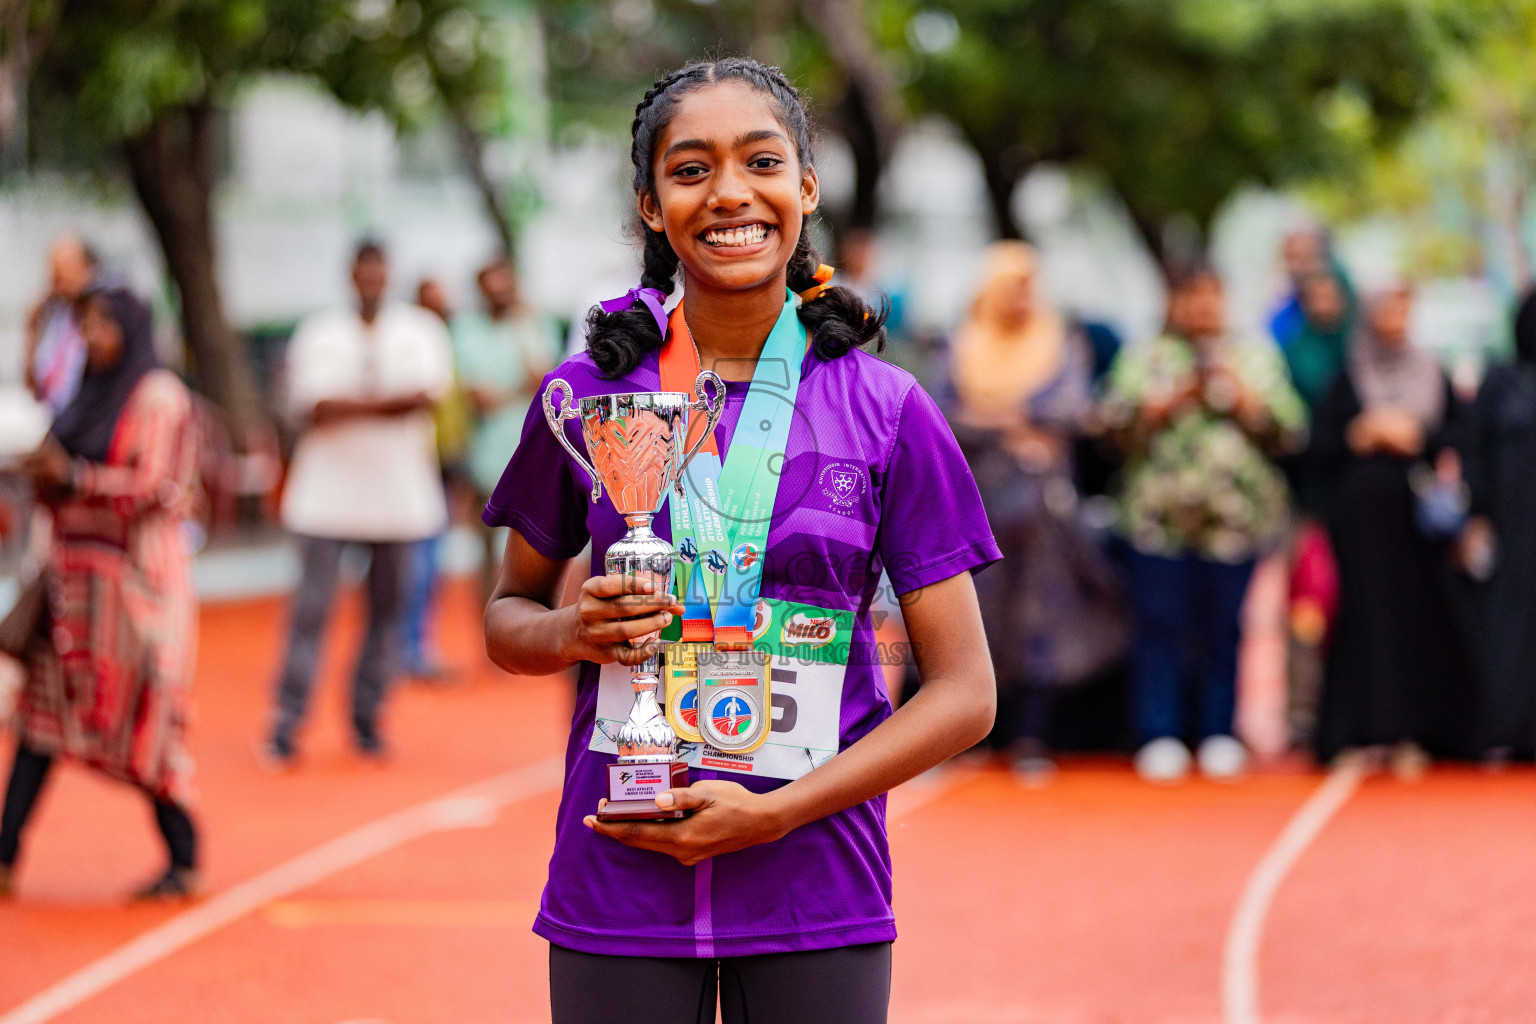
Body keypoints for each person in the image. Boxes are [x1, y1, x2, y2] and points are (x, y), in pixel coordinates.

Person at [482, 58, 998, 1024]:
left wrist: (777, 812)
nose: (729, 194)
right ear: (650, 204)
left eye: (761, 162)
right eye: (691, 170)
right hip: (620, 866)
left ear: (807, 186)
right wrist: (570, 633)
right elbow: (508, 616)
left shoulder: (887, 407)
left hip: (818, 879)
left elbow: (966, 693)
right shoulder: (584, 397)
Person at [1, 287, 200, 899]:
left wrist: (77, 478)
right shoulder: (83, 390)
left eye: (103, 324)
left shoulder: (160, 396)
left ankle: (184, 853)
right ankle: (4, 854)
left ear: (132, 328)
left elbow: (160, 487)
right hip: (71, 583)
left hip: (136, 588)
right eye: (84, 325)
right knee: (42, 716)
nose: (91, 337)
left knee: (139, 713)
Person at [1102, 263, 1305, 783]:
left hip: (1233, 522)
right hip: (1157, 520)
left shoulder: (1254, 356)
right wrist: (1166, 403)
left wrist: (1242, 396)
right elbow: (1107, 428)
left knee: (1224, 627)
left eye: (1211, 296)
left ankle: (1218, 730)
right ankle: (1159, 732)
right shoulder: (1144, 356)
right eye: (1191, 296)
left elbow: (1292, 430)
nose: (1202, 307)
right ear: (1174, 302)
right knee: (1159, 625)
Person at [266, 241, 454, 764]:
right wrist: (390, 403)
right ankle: (286, 722)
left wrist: (350, 405)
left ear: (387, 274)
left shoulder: (420, 329)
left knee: (387, 615)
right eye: (363, 269)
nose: (371, 278)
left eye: (378, 269)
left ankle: (367, 720)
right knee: (310, 612)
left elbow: (427, 397)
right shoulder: (319, 330)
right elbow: (314, 407)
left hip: (399, 498)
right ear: (350, 274)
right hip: (324, 498)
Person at [945, 241, 1127, 780]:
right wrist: (1019, 423)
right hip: (974, 505)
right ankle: (969, 734)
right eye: (1012, 286)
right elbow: (942, 413)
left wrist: (992, 414)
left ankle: (1032, 734)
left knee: (1040, 617)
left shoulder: (1059, 341)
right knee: (973, 619)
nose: (1021, 298)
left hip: (1043, 511)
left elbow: (1073, 408)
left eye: (1029, 286)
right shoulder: (960, 344)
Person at [1310, 285, 1475, 776]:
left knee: (1415, 620)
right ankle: (1356, 731)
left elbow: (1460, 435)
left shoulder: (1432, 371)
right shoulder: (1347, 373)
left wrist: (1417, 436)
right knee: (1362, 620)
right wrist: (1359, 435)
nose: (1394, 317)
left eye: (1403, 307)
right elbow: (1318, 446)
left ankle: (1413, 730)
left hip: (1415, 525)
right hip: (1359, 523)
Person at [452, 256, 556, 600]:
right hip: (485, 455)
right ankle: (489, 617)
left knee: (538, 542)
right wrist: (518, 391)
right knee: (485, 546)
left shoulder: (535, 324)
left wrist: (521, 328)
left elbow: (542, 381)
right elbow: (479, 397)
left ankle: (534, 614)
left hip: (533, 452)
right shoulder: (465, 330)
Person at [1463, 289, 1536, 759]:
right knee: (1510, 628)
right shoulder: (1501, 381)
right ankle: (1509, 725)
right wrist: (1477, 515)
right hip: (1513, 527)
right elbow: (1474, 449)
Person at [24, 236, 97, 413]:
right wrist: (32, 331)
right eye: (54, 276)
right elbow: (36, 388)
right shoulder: (58, 316)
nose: (56, 284)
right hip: (60, 417)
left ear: (87, 269)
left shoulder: (104, 315)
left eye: (63, 275)